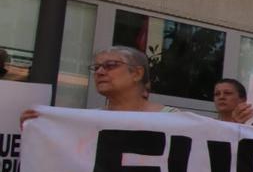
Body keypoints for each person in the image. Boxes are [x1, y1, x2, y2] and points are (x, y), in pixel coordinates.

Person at [21, 47, 178, 125]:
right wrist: (36, 128)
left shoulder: (174, 119)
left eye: (111, 65)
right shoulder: (85, 122)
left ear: (136, 73)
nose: (100, 72)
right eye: (96, 68)